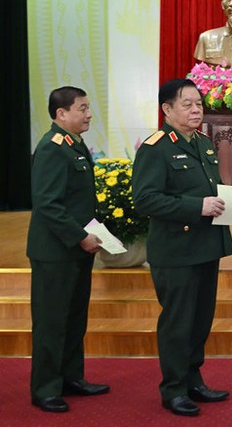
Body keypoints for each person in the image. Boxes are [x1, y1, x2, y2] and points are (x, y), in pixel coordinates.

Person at [132, 79, 232, 417]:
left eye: (199, 103)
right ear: (167, 109)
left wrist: (229, 197)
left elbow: (207, 186)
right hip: (176, 250)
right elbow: (146, 200)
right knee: (178, 322)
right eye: (188, 104)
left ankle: (194, 380)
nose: (196, 110)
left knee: (200, 320)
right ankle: (173, 389)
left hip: (205, 245)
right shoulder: (155, 148)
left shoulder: (202, 142)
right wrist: (197, 206)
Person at [27, 86, 110, 413]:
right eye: (82, 108)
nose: (89, 114)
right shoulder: (52, 148)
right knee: (51, 321)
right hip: (55, 252)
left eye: (88, 107)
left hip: (77, 247)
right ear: (61, 114)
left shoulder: (73, 145)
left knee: (74, 318)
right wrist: (79, 236)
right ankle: (45, 388)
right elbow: (47, 204)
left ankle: (71, 377)